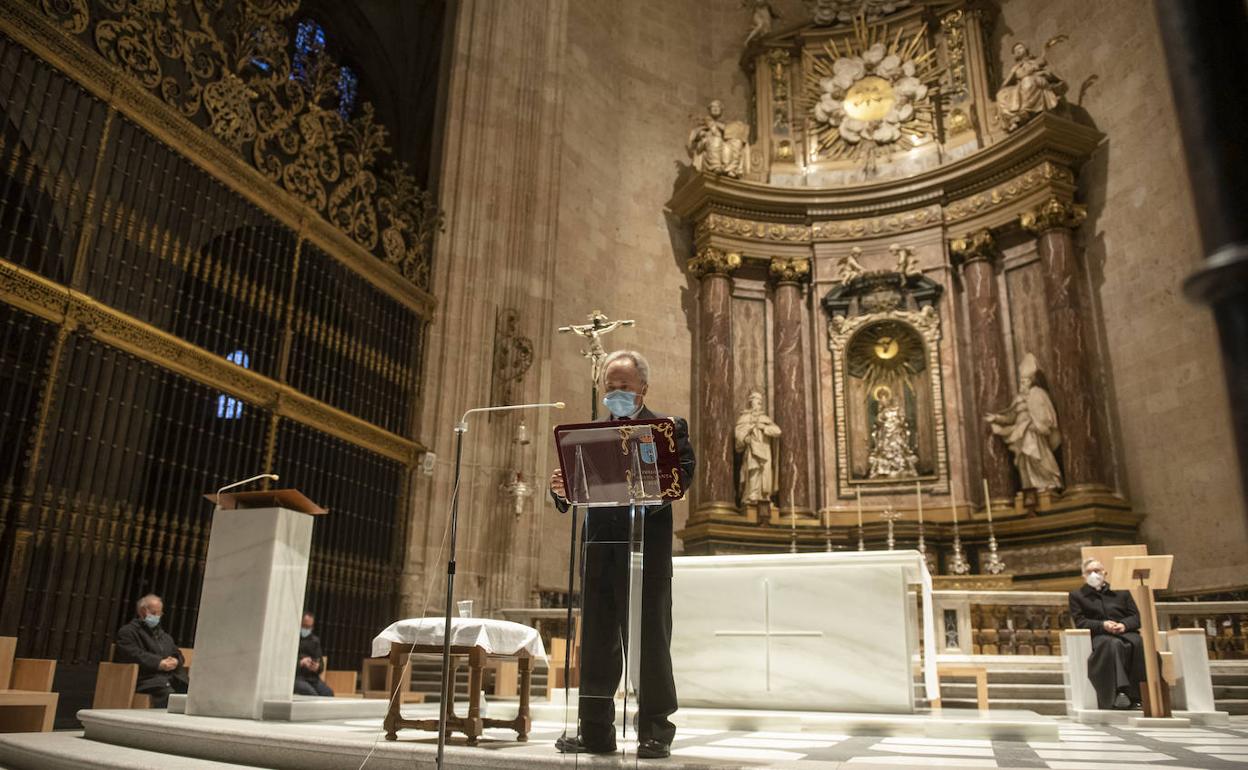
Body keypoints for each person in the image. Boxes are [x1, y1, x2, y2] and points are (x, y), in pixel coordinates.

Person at [549, 350, 696, 759]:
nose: (615, 392)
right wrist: (559, 491)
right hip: (599, 551)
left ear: (642, 388)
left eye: (623, 386)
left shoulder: (668, 429)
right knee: (596, 644)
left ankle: (655, 730)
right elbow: (573, 488)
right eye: (609, 386)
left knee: (649, 641)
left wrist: (652, 485)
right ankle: (595, 731)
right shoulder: (587, 435)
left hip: (644, 554)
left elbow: (682, 476)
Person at [1068, 558, 1145, 709]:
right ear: (1083, 576)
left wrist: (1123, 625)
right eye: (1089, 572)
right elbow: (1080, 622)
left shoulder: (1121, 592)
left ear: (1105, 573)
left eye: (1097, 571)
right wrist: (1103, 625)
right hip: (1099, 635)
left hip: (1126, 633)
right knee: (1113, 645)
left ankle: (1140, 695)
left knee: (1139, 645)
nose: (1094, 574)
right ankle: (1120, 692)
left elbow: (1136, 617)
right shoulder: (1077, 596)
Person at [115, 594, 188, 709]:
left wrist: (175, 661)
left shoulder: (164, 636)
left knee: (190, 692)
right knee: (169, 695)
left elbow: (177, 653)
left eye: (159, 614)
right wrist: (159, 663)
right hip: (147, 678)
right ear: (142, 611)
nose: (157, 617)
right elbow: (132, 654)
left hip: (170, 677)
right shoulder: (128, 632)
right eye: (154, 613)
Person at [735, 391, 781, 504]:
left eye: (760, 402)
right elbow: (738, 433)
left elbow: (777, 431)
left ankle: (764, 496)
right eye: (757, 401)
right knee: (753, 469)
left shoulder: (764, 419)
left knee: (765, 473)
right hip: (752, 450)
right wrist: (745, 438)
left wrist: (763, 428)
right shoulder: (744, 418)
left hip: (764, 451)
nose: (759, 404)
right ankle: (752, 494)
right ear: (751, 402)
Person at [294, 612, 334, 697]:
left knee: (328, 693)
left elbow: (321, 665)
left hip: (312, 677)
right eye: (304, 626)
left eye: (309, 627)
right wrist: (301, 662)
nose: (306, 629)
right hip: (297, 677)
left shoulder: (315, 641)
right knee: (312, 695)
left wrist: (317, 667)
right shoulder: (293, 638)